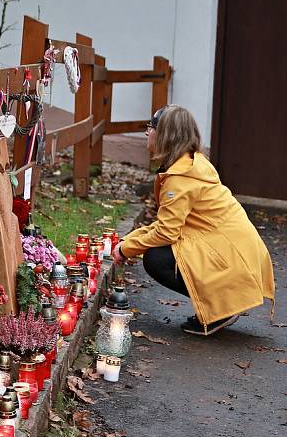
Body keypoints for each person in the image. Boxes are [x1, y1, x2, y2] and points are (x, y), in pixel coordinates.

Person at [113, 105, 275, 336]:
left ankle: (220, 307)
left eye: (150, 127)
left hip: (231, 258)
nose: (147, 132)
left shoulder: (180, 178)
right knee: (159, 251)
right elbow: (167, 224)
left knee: (156, 259)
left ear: (165, 135)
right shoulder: (191, 163)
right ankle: (218, 304)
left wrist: (125, 249)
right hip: (234, 251)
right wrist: (127, 240)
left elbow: (166, 233)